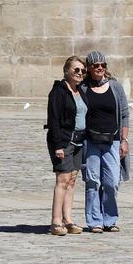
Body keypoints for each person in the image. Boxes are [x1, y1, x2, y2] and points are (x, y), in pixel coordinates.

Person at [79, 51, 130, 233]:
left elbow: (124, 114)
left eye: (103, 65)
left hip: (113, 140)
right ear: (89, 68)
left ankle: (110, 219)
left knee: (111, 182)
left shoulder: (115, 87)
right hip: (90, 141)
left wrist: (124, 140)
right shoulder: (83, 88)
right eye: (95, 65)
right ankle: (95, 221)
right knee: (93, 181)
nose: (100, 68)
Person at [45, 56, 88, 236]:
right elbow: (53, 120)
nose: (79, 73)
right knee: (62, 180)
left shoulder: (80, 91)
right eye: (76, 70)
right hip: (64, 140)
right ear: (66, 71)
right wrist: (58, 146)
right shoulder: (58, 92)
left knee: (71, 180)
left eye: (82, 71)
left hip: (79, 140)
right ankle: (56, 222)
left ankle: (68, 219)